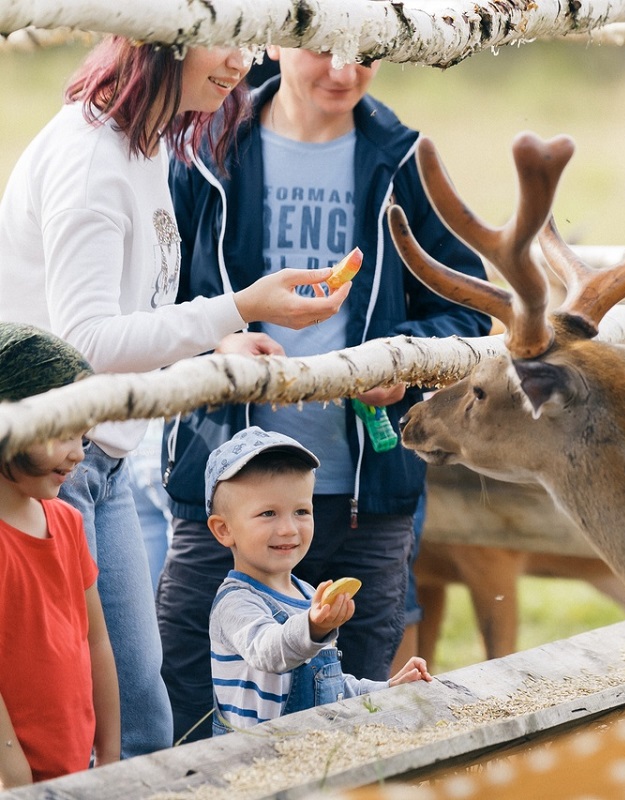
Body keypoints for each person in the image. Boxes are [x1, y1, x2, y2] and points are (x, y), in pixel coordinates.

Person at [0, 37, 349, 758]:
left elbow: (130, 308)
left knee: (140, 718)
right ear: (161, 36)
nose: (243, 63)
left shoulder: (145, 145)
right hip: (48, 464)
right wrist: (239, 306)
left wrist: (213, 341)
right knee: (68, 724)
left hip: (103, 458)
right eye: (225, 37)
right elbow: (85, 341)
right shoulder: (91, 158)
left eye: (253, 40)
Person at [157, 44, 490, 743]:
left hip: (366, 493)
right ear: (277, 34)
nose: (344, 71)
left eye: (368, 52)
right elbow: (156, 295)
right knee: (185, 706)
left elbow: (466, 307)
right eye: (322, 49)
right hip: (221, 477)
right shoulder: (205, 145)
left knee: (351, 723)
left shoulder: (406, 160)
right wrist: (218, 339)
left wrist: (404, 359)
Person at [204, 427, 432, 733]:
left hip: (310, 754)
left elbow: (328, 685)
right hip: (258, 764)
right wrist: (313, 628)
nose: (288, 529)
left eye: (301, 511)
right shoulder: (236, 603)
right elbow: (269, 651)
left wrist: (388, 688)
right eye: (268, 513)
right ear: (224, 530)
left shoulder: (306, 593)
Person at [0, 324, 120, 786]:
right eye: (63, 435)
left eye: (84, 437)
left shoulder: (68, 524)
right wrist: (15, 776)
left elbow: (97, 642)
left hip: (76, 771)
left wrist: (111, 755)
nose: (77, 455)